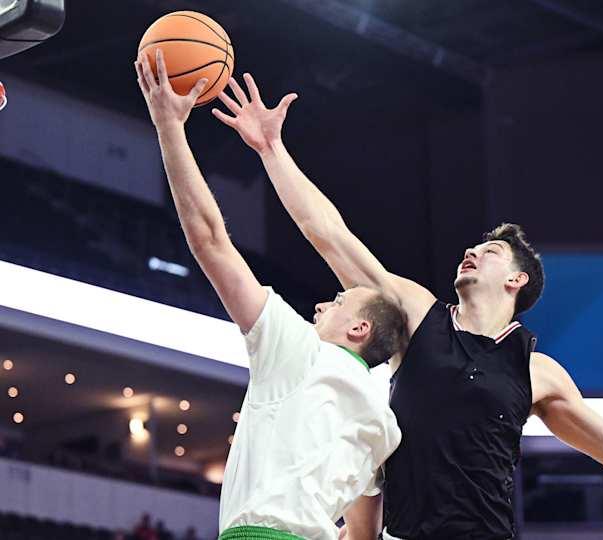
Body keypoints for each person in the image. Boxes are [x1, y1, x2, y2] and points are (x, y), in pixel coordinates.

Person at [211, 72, 603, 540]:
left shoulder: (537, 372)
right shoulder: (417, 317)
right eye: (474, 246)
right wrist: (271, 148)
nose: (472, 252)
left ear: (517, 280)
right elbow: (327, 232)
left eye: (492, 250)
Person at [135, 50, 405, 540]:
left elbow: (210, 240)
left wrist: (169, 125)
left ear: (359, 329)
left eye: (337, 303)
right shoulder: (383, 421)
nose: (321, 306)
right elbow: (363, 534)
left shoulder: (300, 349)